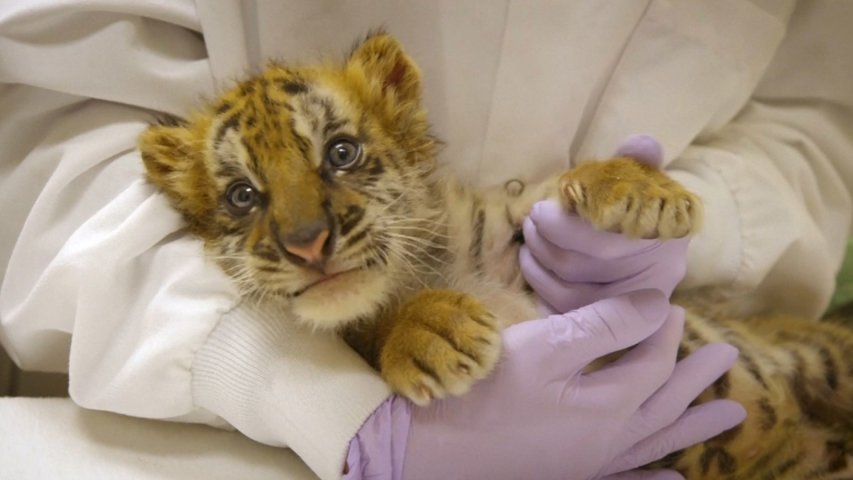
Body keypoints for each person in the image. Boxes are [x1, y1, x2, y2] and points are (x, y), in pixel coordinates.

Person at [1, 1, 851, 479]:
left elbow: (817, 117)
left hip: (715, 337)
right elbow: (44, 143)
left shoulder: (445, 200)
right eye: (245, 194)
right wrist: (329, 409)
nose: (305, 232)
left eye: (340, 154)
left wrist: (690, 219)